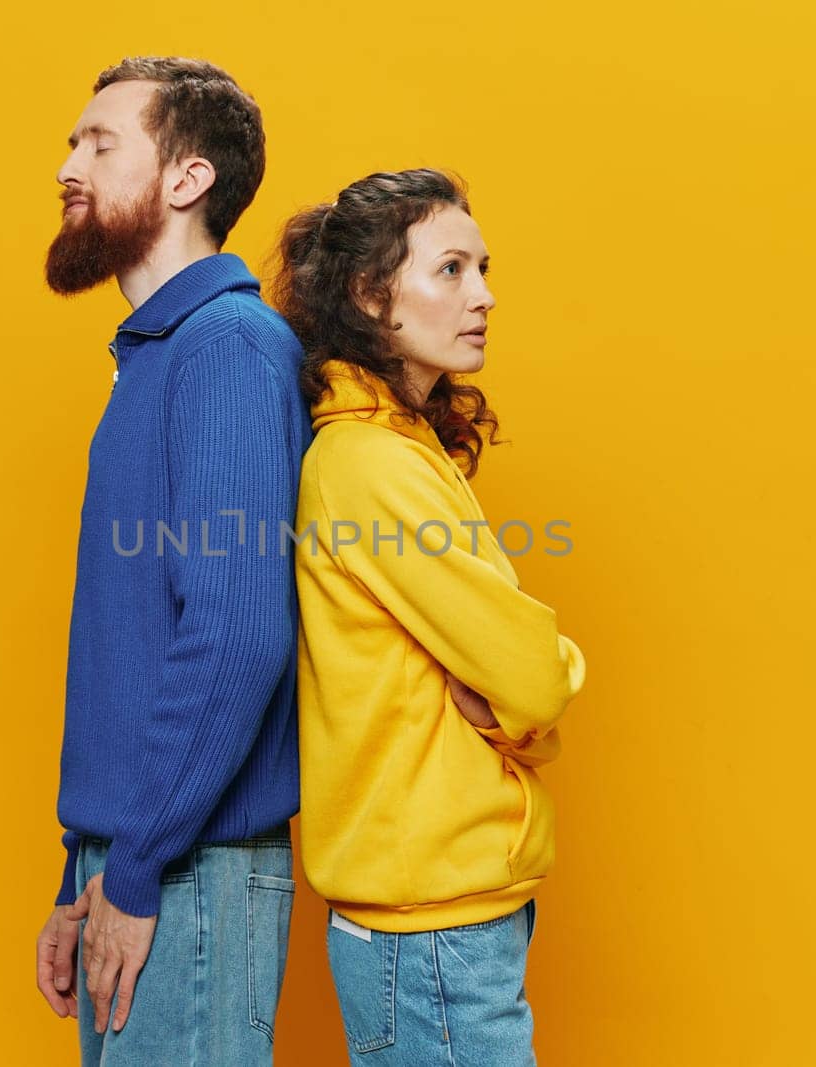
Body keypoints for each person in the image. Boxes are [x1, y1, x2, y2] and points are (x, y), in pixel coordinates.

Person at [268, 168, 587, 1065]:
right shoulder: (371, 464)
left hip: (449, 916)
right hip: (432, 929)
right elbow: (528, 670)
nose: (483, 295)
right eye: (451, 269)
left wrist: (520, 689)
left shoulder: (404, 449)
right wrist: (540, 686)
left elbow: (511, 672)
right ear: (372, 294)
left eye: (483, 268)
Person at [32, 56, 308, 1066]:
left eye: (100, 143)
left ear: (186, 179)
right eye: (72, 142)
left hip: (194, 872)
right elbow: (134, 639)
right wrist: (85, 870)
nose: (69, 164)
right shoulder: (157, 355)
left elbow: (237, 633)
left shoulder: (224, 346)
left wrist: (135, 866)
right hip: (143, 857)